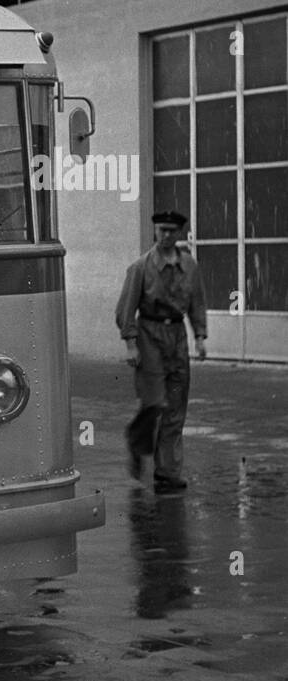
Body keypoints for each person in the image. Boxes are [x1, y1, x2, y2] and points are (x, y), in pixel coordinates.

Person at [114, 210, 207, 492]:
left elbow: (197, 302)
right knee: (155, 402)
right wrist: (131, 344)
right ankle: (136, 439)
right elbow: (125, 309)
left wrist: (200, 336)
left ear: (179, 234)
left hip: (177, 336)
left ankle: (167, 473)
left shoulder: (189, 266)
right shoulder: (141, 267)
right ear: (155, 232)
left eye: (172, 231)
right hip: (149, 336)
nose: (166, 236)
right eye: (162, 230)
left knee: (176, 407)